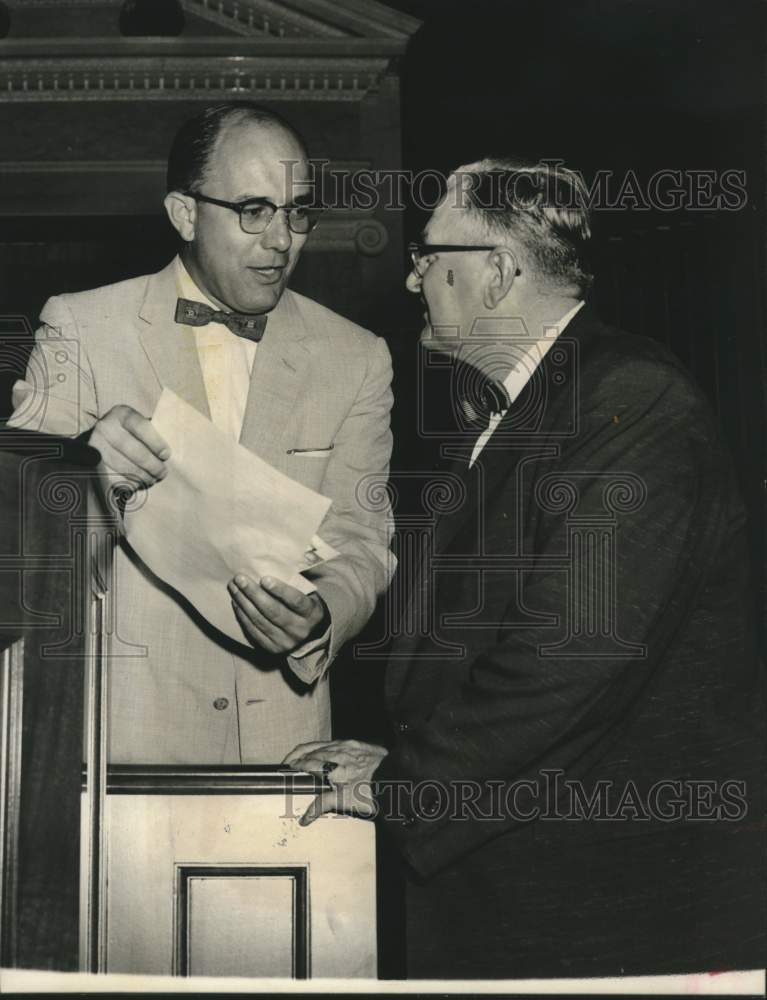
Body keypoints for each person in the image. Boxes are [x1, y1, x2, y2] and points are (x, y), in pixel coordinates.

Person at [284, 158, 765, 978]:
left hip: (610, 912)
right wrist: (398, 758)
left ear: (498, 272)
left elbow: (566, 656)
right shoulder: (539, 403)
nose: (410, 280)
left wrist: (406, 784)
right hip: (533, 881)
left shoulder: (635, 399)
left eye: (428, 255)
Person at [8, 103, 395, 764]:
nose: (281, 242)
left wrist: (324, 614)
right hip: (122, 742)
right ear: (185, 213)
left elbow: (364, 540)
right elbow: (14, 535)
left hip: (286, 744)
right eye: (253, 210)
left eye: (296, 211)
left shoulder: (356, 356)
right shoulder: (82, 327)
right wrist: (83, 476)